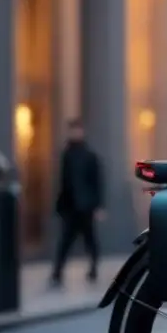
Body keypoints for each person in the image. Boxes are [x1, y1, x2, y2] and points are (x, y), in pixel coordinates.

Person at [50, 119, 105, 286]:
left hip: (86, 206)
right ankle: (57, 272)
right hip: (70, 207)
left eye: (77, 130)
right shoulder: (66, 154)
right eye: (72, 130)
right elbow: (63, 182)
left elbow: (97, 182)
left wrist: (98, 206)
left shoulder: (90, 155)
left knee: (90, 240)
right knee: (66, 240)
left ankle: (93, 269)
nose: (74, 133)